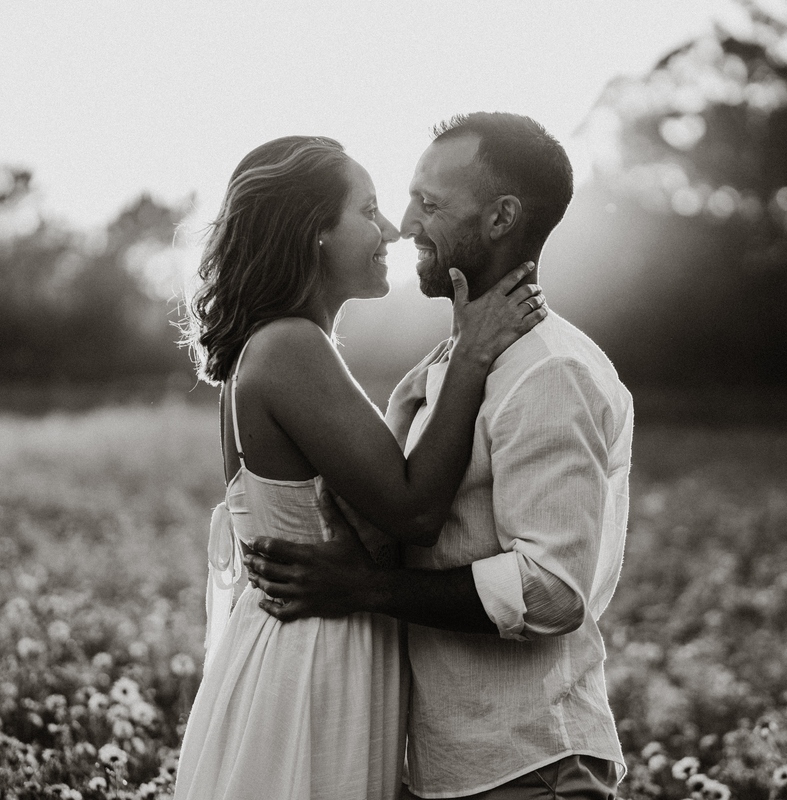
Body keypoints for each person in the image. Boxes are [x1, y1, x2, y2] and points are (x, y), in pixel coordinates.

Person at [245, 113, 634, 799]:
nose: (403, 221)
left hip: (530, 764)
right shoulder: (444, 371)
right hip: (450, 764)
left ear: (500, 217)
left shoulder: (546, 371)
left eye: (429, 202)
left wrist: (364, 590)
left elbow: (550, 590)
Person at [173, 134, 548, 800]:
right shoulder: (289, 345)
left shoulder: (283, 345)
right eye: (367, 209)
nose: (390, 230)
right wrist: (470, 356)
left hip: (315, 647)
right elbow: (414, 510)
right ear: (313, 232)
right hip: (311, 660)